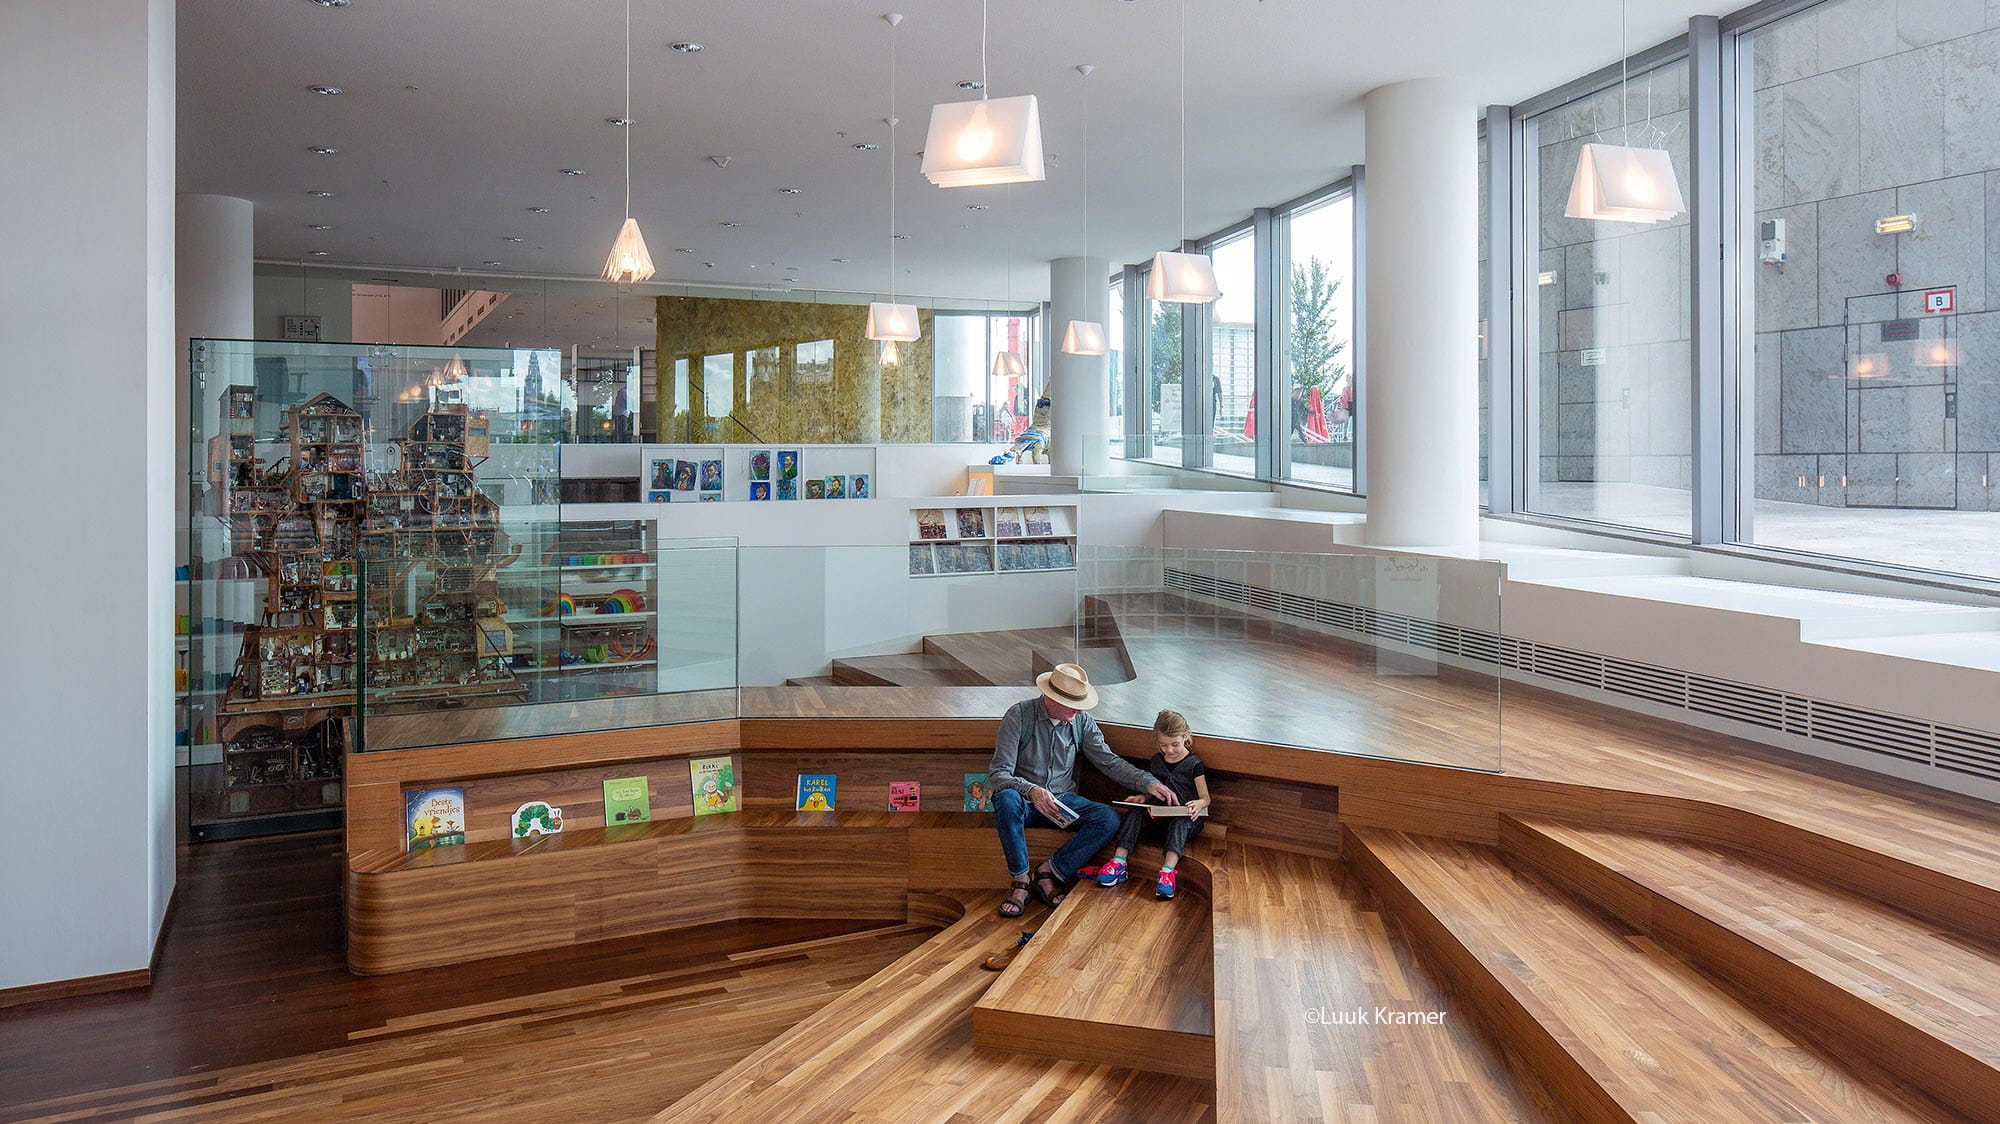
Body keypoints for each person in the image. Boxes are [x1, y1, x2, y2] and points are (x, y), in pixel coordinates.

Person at [988, 663, 1178, 918]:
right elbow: (999, 774)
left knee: (1108, 818)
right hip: (1023, 802)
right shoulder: (1019, 716)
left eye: (1081, 703)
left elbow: (1109, 762)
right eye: (1072, 704)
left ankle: (1049, 872)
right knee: (1005, 798)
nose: (1079, 710)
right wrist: (1032, 790)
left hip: (1063, 801)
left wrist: (1147, 782)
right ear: (1051, 698)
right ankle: (1021, 881)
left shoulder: (1082, 722)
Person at [1095, 709, 1211, 900]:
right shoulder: (1156, 761)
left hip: (1187, 819)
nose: (1170, 750)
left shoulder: (1194, 764)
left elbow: (1206, 797)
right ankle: (1119, 861)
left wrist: (1199, 804)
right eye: (1164, 745)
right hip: (1160, 816)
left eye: (1175, 744)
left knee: (1180, 822)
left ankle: (1167, 872)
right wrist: (1143, 798)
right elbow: (1154, 791)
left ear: (1185, 737)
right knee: (1135, 813)